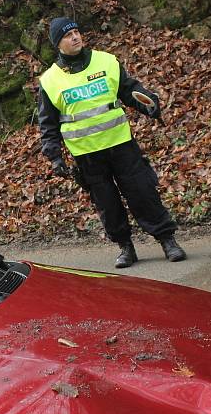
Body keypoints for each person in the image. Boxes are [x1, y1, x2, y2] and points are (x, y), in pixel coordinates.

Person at [38, 17, 186, 268]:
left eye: (76, 31)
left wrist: (149, 104)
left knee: (142, 192)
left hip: (121, 145)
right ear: (58, 44)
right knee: (107, 204)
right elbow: (48, 124)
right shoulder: (50, 81)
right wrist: (54, 156)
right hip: (86, 155)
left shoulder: (106, 61)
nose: (75, 37)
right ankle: (126, 247)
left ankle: (167, 239)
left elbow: (129, 90)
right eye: (67, 35)